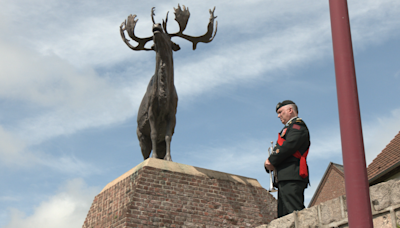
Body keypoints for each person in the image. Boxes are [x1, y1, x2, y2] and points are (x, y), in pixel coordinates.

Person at [264, 100, 310, 218]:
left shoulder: (297, 125)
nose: (279, 116)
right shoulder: (289, 127)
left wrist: (271, 160)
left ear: (290, 110)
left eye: (280, 112)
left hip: (292, 174)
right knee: (284, 216)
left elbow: (289, 145)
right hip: (285, 176)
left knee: (295, 213)